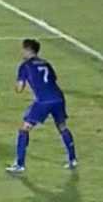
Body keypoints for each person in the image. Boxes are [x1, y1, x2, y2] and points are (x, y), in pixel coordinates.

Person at [5, 39, 77, 173]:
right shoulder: (46, 63)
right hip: (58, 98)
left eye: (23, 49)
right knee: (62, 127)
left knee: (24, 129)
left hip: (43, 101)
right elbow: (52, 80)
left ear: (28, 50)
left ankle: (19, 164)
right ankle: (72, 159)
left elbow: (20, 88)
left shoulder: (25, 66)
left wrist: (16, 86)